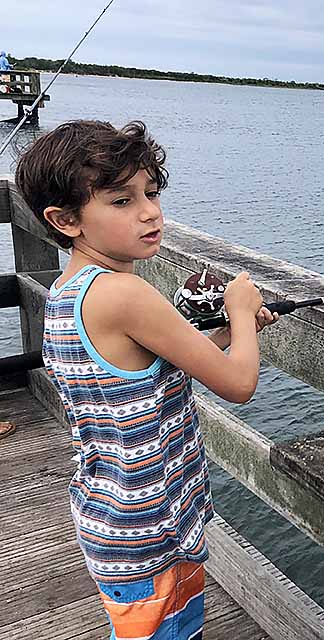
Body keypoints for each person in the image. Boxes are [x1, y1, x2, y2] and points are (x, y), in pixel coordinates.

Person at [14, 120, 279, 640]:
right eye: (121, 200)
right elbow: (239, 385)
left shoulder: (71, 291)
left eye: (151, 192)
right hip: (150, 527)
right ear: (66, 219)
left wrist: (228, 332)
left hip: (115, 514)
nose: (149, 210)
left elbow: (149, 366)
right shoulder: (125, 295)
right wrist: (244, 312)